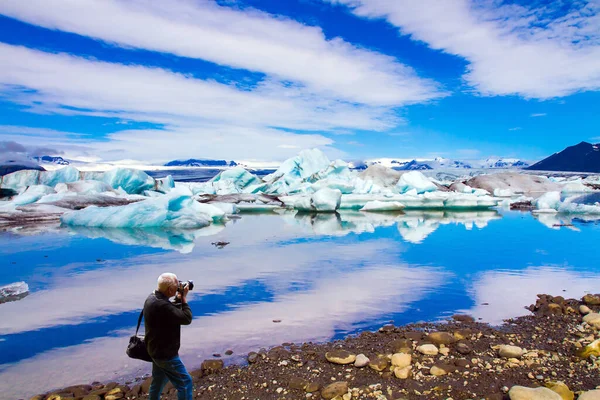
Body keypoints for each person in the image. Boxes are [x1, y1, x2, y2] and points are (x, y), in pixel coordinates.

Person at [144, 272, 193, 400]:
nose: (178, 287)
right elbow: (186, 318)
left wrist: (177, 298)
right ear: (170, 289)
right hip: (166, 354)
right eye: (176, 286)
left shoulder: (152, 297)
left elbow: (170, 312)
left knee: (158, 381)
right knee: (185, 383)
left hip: (154, 350)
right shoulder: (162, 305)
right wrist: (183, 299)